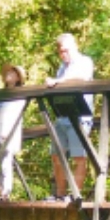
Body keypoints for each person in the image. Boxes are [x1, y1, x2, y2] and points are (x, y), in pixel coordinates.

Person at [42, 33, 95, 201]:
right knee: (57, 155)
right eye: (60, 51)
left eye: (66, 50)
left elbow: (81, 78)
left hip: (80, 117)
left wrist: (58, 81)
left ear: (74, 47)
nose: (63, 54)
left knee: (79, 156)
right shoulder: (62, 68)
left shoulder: (84, 61)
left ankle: (76, 196)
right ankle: (60, 194)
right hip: (62, 116)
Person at [0, 65, 28, 201]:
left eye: (13, 73)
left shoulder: (20, 95)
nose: (9, 74)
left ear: (18, 78)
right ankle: (1, 189)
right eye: (8, 72)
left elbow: (15, 115)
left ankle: (5, 192)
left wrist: (8, 131)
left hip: (8, 132)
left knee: (5, 162)